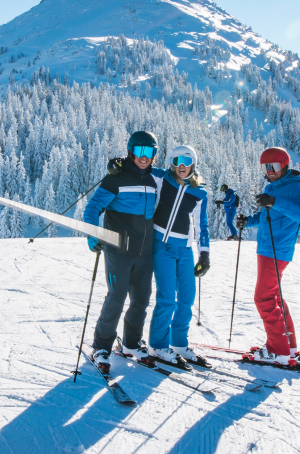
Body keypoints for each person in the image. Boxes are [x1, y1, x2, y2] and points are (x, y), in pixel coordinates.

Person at [83, 130, 159, 369]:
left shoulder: (154, 178)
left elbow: (178, 177)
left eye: (149, 152)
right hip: (118, 250)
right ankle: (101, 347)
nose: (144, 157)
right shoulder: (115, 178)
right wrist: (94, 233)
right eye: (139, 151)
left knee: (141, 300)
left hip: (145, 251)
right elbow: (93, 208)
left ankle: (131, 343)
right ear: (130, 151)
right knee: (116, 298)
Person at [235, 147, 300, 367]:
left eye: (274, 167)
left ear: (285, 165)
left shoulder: (295, 189)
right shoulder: (274, 187)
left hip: (276, 252)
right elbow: (269, 215)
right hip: (268, 250)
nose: (269, 171)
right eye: (265, 167)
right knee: (274, 296)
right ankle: (288, 346)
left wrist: (275, 202)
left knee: (264, 298)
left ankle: (277, 351)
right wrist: (248, 221)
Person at [145, 144, 210, 365]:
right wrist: (120, 163)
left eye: (186, 160)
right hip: (161, 245)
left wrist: (204, 254)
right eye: (176, 161)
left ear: (193, 163)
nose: (181, 166)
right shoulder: (163, 178)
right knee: (167, 298)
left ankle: (179, 343)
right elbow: (139, 167)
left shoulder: (200, 191)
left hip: (185, 249)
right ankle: (158, 345)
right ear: (171, 164)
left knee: (186, 298)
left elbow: (202, 226)